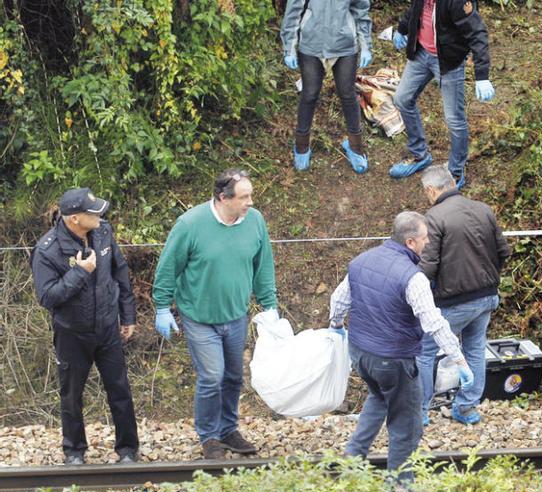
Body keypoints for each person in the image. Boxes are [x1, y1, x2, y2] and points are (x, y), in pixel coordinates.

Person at [328, 211, 474, 482]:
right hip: (392, 359)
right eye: (424, 238)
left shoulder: (361, 261)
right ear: (409, 242)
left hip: (360, 353)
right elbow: (434, 324)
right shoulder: (413, 278)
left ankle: (353, 458)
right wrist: (460, 361)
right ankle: (399, 483)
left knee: (379, 397)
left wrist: (336, 325)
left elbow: (339, 300)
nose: (427, 243)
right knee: (406, 424)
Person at [152, 169, 278, 460]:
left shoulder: (254, 221)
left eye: (250, 195)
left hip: (235, 314)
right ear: (224, 198)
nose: (250, 201)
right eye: (244, 196)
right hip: (199, 316)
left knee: (233, 376)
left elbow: (263, 265)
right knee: (212, 376)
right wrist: (161, 305)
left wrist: (269, 305)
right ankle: (209, 436)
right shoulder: (191, 225)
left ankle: (228, 429)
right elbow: (168, 266)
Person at [31, 187, 139, 465]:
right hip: (72, 333)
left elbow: (120, 272)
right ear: (75, 218)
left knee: (120, 390)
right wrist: (80, 272)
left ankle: (128, 450)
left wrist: (127, 316)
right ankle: (74, 451)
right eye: (94, 213)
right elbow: (47, 296)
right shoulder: (48, 250)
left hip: (107, 328)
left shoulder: (103, 232)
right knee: (71, 395)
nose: (101, 215)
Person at [415, 165, 509, 425]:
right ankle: (467, 408)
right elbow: (504, 251)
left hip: (454, 299)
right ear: (453, 182)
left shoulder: (434, 217)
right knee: (475, 349)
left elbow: (429, 265)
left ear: (432, 190)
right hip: (487, 296)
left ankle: (420, 411)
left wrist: (417, 291)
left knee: (424, 350)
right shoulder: (483, 209)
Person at [388, 0, 495, 188]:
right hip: (421, 54)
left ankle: (455, 170)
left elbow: (477, 33)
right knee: (402, 99)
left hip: (448, 62)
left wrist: (482, 75)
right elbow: (414, 10)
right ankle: (419, 154)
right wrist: (402, 29)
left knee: (454, 119)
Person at [280, 0, 372, 173]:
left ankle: (356, 147)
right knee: (309, 94)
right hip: (311, 45)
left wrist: (366, 44)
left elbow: (360, 10)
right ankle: (301, 147)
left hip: (344, 45)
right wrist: (289, 48)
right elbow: (293, 12)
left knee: (347, 94)